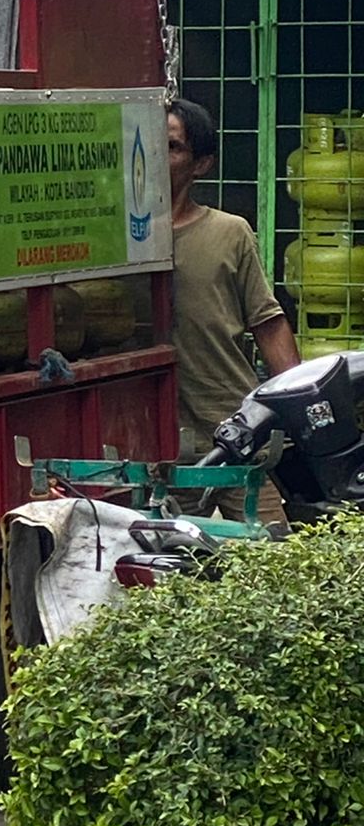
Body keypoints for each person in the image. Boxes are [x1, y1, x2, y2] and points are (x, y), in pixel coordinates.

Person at [168, 97, 299, 522]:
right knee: (164, 568)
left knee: (275, 558)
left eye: (171, 147)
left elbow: (268, 323)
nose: (155, 156)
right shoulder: (114, 240)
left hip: (234, 432)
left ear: (200, 164)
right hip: (159, 447)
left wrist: (299, 405)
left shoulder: (229, 233)